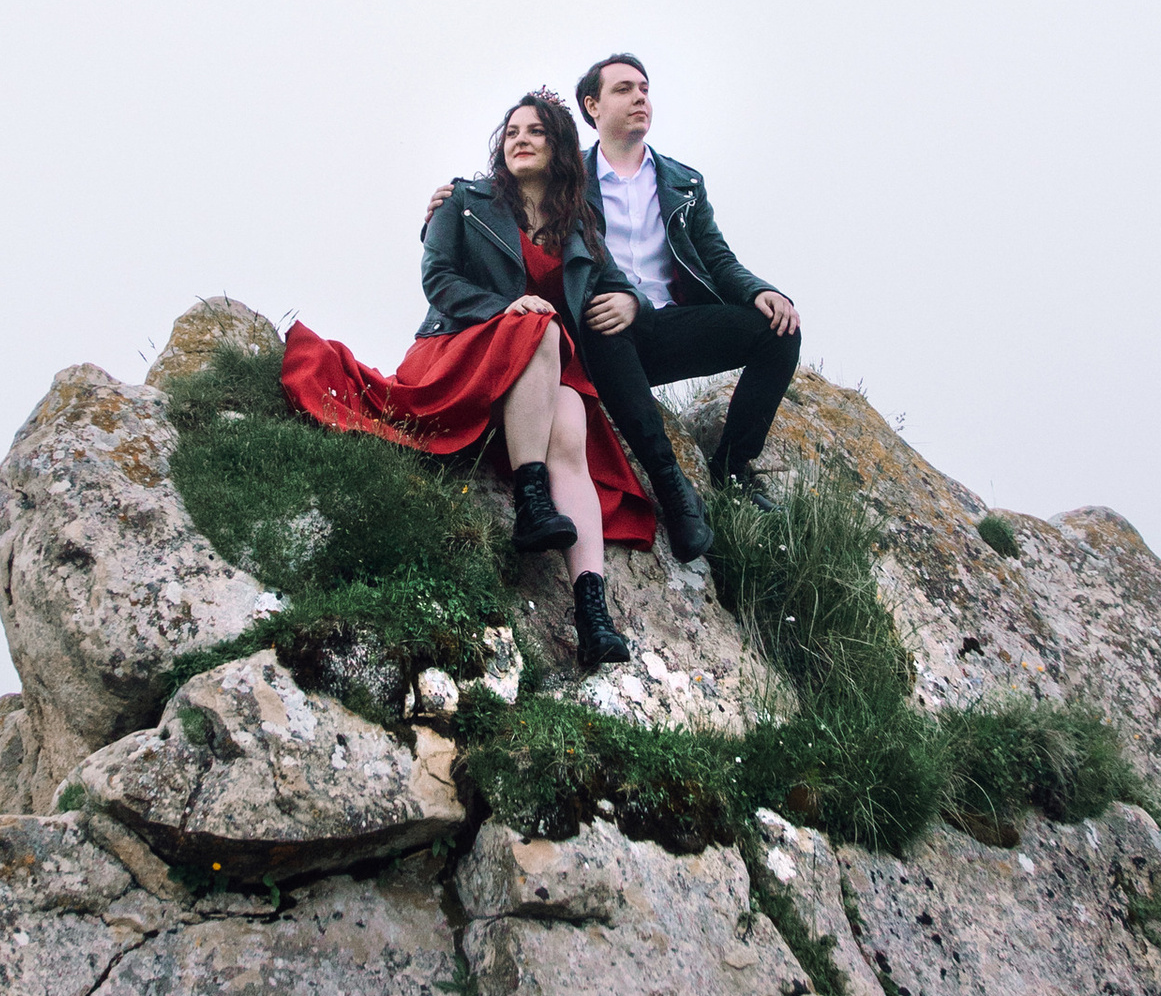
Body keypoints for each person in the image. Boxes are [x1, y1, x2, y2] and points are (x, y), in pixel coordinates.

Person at [280, 91, 652, 671]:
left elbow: (615, 279)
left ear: (558, 146)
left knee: (574, 426)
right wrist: (509, 308)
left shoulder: (578, 222)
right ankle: (532, 501)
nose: (520, 139)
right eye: (511, 133)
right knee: (544, 327)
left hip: (542, 363)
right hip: (461, 346)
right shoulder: (464, 201)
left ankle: (591, 614)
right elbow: (439, 280)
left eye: (535, 131)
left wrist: (627, 300)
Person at [571, 51, 801, 552]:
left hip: (668, 327)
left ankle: (733, 472)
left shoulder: (682, 181)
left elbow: (717, 257)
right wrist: (454, 198)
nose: (640, 98)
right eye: (624, 89)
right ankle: (674, 489)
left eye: (645, 89)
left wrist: (761, 290)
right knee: (601, 319)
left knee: (778, 330)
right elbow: (508, 192)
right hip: (607, 338)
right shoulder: (570, 182)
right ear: (593, 106)